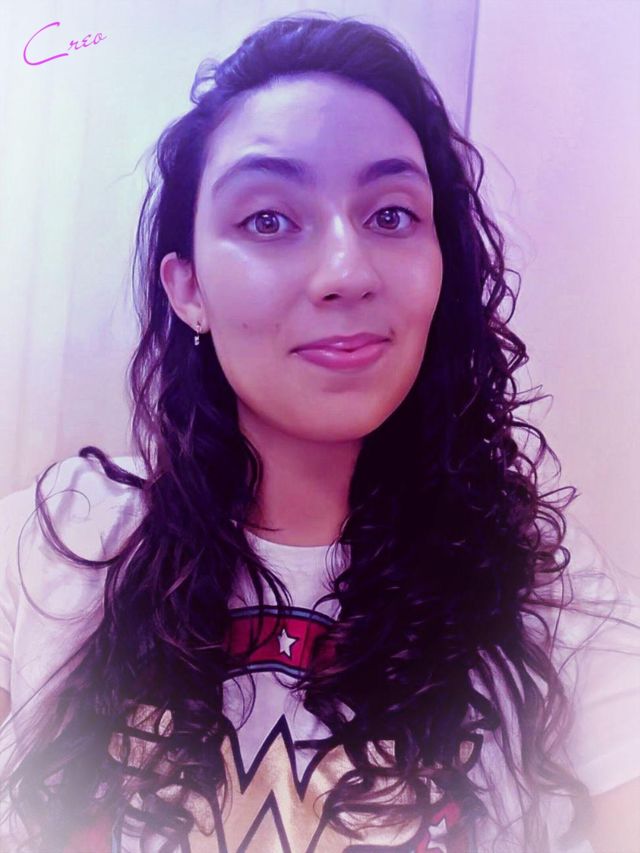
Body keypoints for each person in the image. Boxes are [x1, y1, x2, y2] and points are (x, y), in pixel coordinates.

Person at [0, 12, 639, 853]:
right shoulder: (62, 542)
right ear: (188, 288)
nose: (347, 271)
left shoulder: (549, 596)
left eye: (392, 215)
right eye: (269, 220)